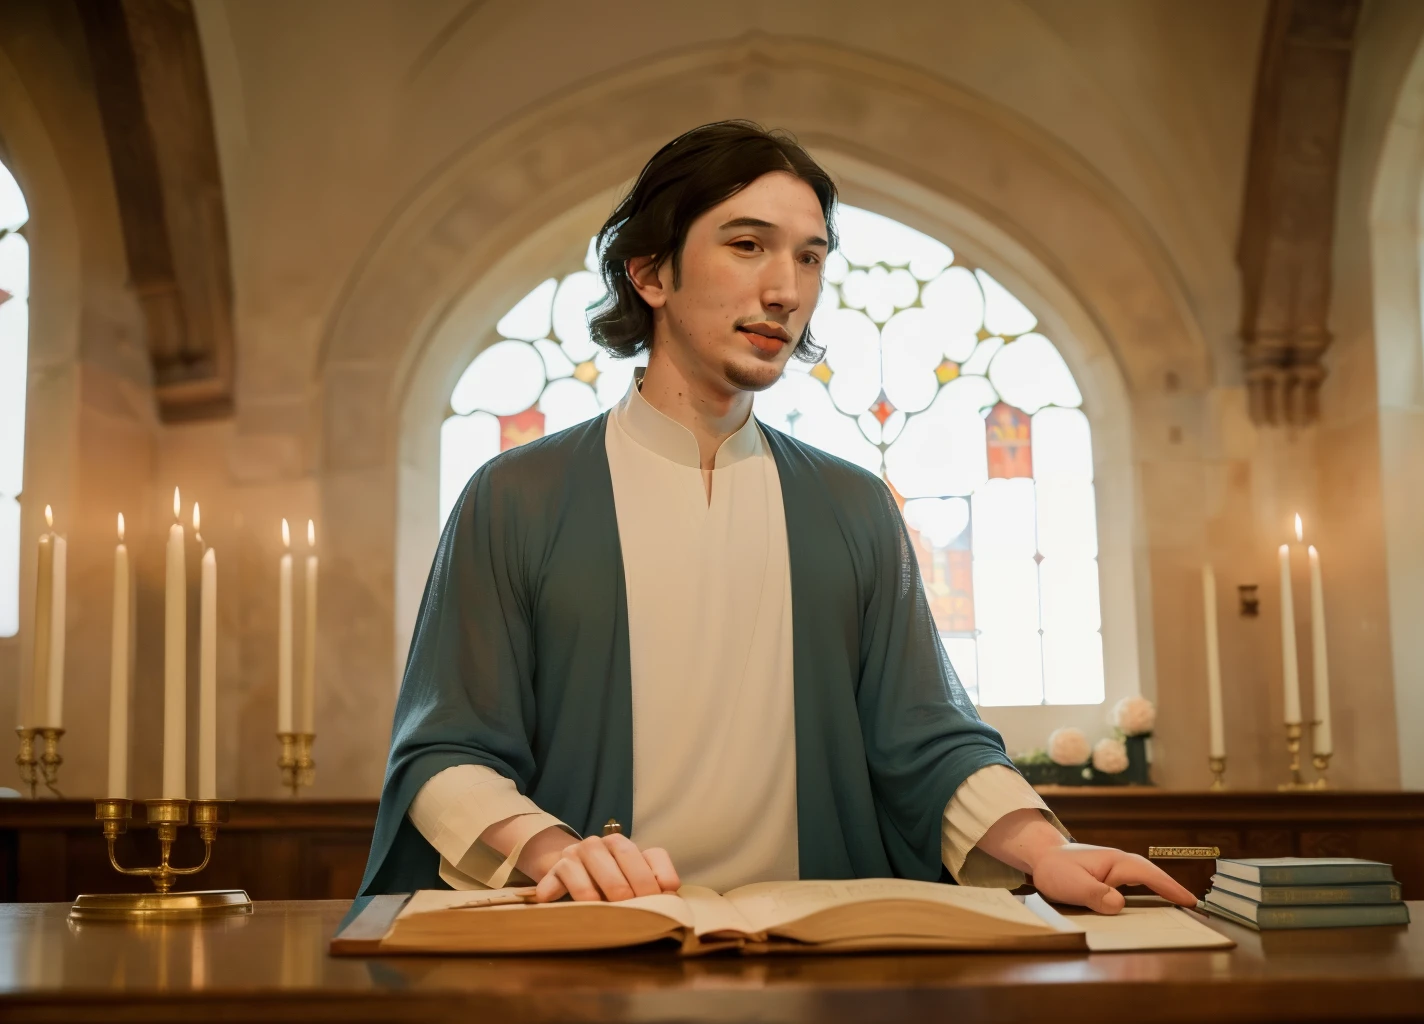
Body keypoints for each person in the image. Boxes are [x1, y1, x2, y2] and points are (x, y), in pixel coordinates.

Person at [358, 121, 1195, 915]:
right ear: (649, 274)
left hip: (814, 950)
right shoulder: (517, 497)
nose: (786, 291)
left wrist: (1047, 851)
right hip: (601, 940)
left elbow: (928, 739)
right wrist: (556, 851)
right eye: (747, 245)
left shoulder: (851, 504)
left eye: (809, 257)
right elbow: (445, 750)